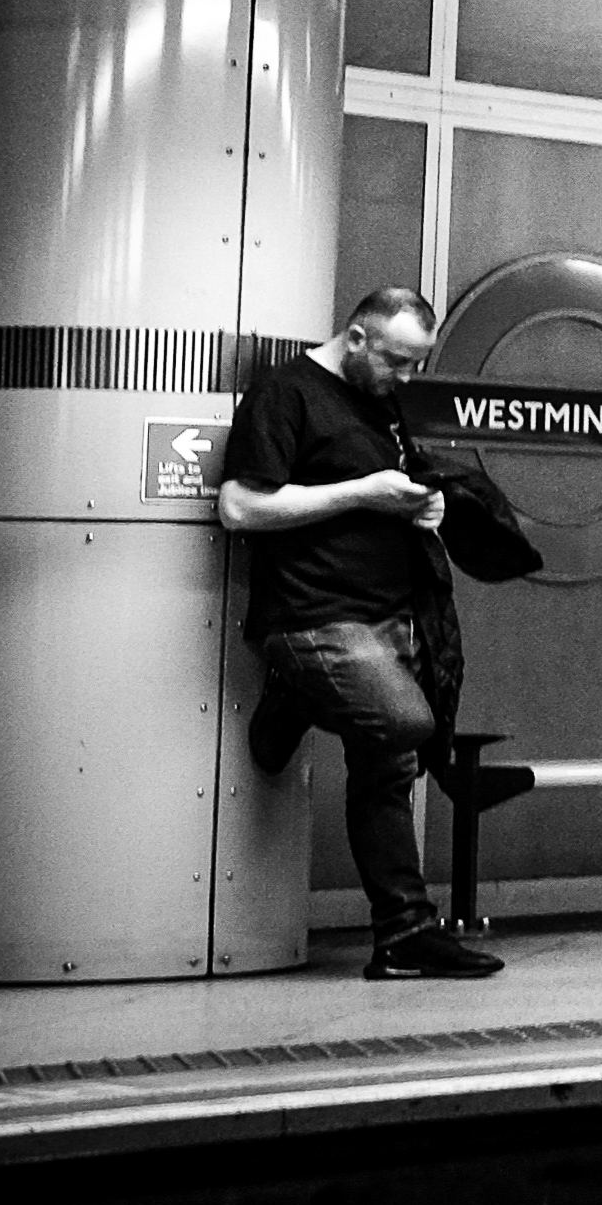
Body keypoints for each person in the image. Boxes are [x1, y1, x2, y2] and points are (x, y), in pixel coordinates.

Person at [217, 285, 530, 979]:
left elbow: (391, 480)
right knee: (406, 722)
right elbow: (240, 506)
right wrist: (364, 492)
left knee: (388, 772)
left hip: (392, 615)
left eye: (416, 364)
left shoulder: (379, 399)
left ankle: (403, 935)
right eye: (397, 361)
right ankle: (293, 693)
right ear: (356, 338)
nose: (406, 378)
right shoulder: (286, 393)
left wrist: (423, 501)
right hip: (317, 615)